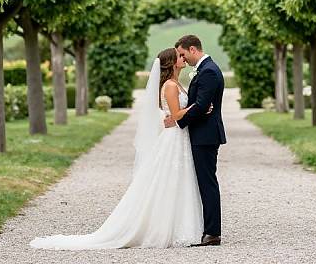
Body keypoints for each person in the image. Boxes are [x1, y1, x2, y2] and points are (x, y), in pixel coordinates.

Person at [30, 47, 204, 250]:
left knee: (178, 181)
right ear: (172, 63)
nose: (183, 58)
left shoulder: (175, 83)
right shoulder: (170, 86)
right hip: (174, 137)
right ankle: (165, 229)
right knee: (169, 180)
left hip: (179, 136)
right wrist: (197, 107)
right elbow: (175, 114)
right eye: (179, 57)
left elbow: (172, 116)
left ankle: (179, 227)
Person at [164, 34, 226, 247]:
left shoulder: (208, 71)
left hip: (206, 136)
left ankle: (212, 233)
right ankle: (209, 230)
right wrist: (194, 109)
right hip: (202, 134)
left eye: (182, 54)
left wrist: (177, 121)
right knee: (203, 182)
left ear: (192, 49)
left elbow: (201, 106)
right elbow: (199, 105)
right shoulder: (205, 69)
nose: (182, 59)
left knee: (207, 183)